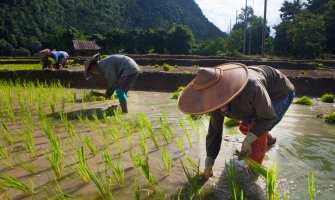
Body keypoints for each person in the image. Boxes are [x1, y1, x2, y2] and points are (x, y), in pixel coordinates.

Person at [177, 63, 294, 179]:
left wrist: (249, 140)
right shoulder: (213, 102)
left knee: (257, 134)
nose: (219, 106)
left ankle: (253, 174)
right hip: (251, 98)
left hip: (278, 93)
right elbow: (214, 131)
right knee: (246, 127)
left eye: (221, 100)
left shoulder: (252, 86)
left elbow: (267, 117)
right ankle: (270, 140)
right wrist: (209, 164)